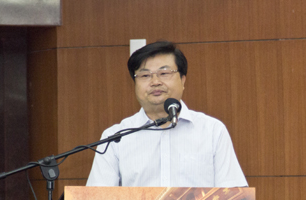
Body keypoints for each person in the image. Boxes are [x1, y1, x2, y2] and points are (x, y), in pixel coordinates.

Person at [86, 41, 247, 187]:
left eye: (164, 73)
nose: (155, 82)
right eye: (145, 75)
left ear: (183, 80)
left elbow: (234, 197)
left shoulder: (212, 131)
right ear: (134, 84)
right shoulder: (115, 138)